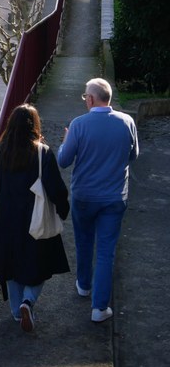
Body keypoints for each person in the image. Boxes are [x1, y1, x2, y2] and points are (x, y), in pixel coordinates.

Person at [58, 78, 138, 323]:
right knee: (106, 251)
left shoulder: (79, 125)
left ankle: (84, 285)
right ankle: (99, 308)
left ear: (91, 99)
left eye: (85, 97)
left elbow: (63, 161)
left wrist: (65, 141)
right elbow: (133, 155)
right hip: (114, 197)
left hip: (84, 196)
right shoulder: (127, 122)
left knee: (83, 242)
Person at [0, 103, 70, 333]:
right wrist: (63, 209)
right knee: (40, 265)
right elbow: (56, 188)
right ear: (34, 125)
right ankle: (28, 301)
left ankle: (17, 312)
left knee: (12, 267)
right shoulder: (41, 152)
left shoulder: (1, 149)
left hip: (6, 219)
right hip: (34, 219)